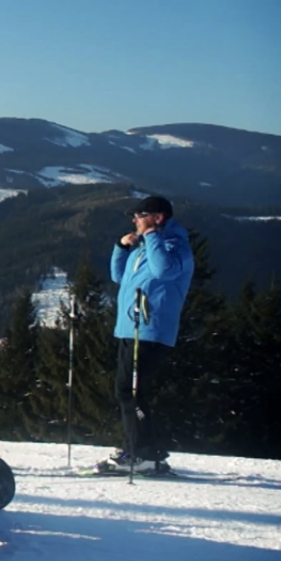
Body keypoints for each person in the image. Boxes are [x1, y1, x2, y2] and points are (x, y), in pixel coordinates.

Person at [99, 194, 194, 475]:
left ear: (158, 217)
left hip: (151, 330)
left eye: (140, 216)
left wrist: (151, 237)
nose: (134, 220)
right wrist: (121, 247)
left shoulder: (176, 247)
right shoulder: (146, 247)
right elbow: (119, 277)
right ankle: (142, 449)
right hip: (132, 328)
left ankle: (141, 453)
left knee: (130, 391)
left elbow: (164, 271)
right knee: (128, 391)